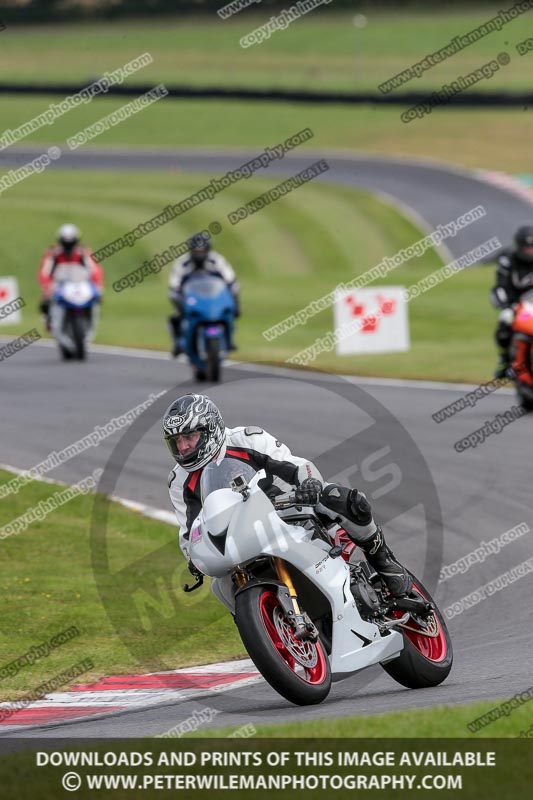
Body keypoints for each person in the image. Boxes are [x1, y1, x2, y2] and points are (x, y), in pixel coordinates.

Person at [164, 393, 412, 598]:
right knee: (223, 584)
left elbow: (297, 466)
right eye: (176, 441)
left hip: (284, 511)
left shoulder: (247, 439)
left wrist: (310, 483)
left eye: (189, 437)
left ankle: (384, 562)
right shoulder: (178, 481)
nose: (183, 447)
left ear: (210, 429)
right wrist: (193, 558)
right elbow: (190, 531)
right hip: (236, 535)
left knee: (340, 497)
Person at [167, 233, 240, 356]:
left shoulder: (217, 260)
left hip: (213, 298)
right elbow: (174, 286)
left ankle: (229, 340)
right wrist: (179, 301)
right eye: (197, 251)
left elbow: (231, 281)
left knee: (229, 315)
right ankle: (178, 343)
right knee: (175, 319)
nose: (199, 254)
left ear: (207, 250)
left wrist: (235, 301)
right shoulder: (182, 264)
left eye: (202, 251)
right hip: (191, 299)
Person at [38, 224, 103, 329]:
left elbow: (95, 270)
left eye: (71, 242)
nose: (68, 246)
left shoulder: (84, 252)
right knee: (45, 301)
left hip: (80, 283)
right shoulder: (53, 253)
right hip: (59, 284)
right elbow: (44, 271)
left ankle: (90, 320)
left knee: (96, 298)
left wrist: (97, 284)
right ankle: (49, 320)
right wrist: (47, 286)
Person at [491, 225, 533, 378]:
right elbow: (500, 286)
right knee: (505, 320)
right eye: (527, 247)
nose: (530, 251)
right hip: (517, 306)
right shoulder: (508, 260)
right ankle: (504, 359)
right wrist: (506, 305)